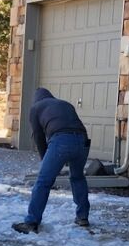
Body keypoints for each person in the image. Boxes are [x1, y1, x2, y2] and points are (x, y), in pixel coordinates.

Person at [12, 87, 91, 234]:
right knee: (78, 177)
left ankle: (31, 222)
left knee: (43, 181)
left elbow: (38, 137)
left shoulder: (36, 108)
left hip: (61, 140)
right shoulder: (65, 104)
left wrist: (44, 159)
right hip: (82, 140)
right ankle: (82, 217)